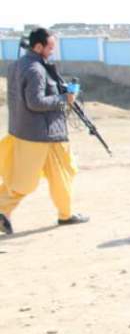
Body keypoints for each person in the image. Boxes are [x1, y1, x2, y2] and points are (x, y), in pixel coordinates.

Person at [0, 28, 89, 234]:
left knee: (63, 173)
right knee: (24, 181)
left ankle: (66, 214)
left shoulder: (18, 65)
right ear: (38, 46)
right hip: (38, 134)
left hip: (39, 132)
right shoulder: (35, 69)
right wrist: (63, 100)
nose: (52, 52)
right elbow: (35, 102)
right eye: (49, 48)